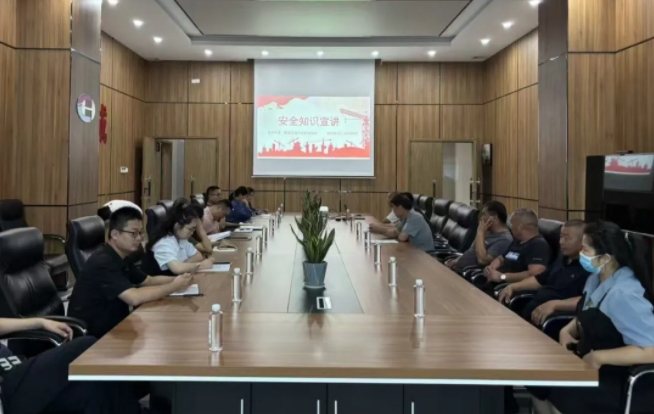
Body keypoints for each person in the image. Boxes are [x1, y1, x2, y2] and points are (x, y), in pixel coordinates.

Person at [531, 221, 654, 414]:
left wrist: (599, 357)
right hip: (590, 364)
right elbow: (589, 310)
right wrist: (567, 329)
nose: (581, 254)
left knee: (562, 394)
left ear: (605, 258)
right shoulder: (596, 278)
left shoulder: (624, 294)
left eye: (585, 250)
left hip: (618, 379)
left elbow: (651, 350)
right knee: (537, 380)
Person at [68, 207, 195, 338]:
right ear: (115, 234)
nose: (139, 238)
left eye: (141, 233)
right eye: (133, 233)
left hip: (115, 325)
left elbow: (148, 280)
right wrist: (174, 286)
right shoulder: (103, 262)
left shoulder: (120, 256)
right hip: (92, 335)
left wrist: (181, 279)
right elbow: (133, 297)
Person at [0, 318, 142, 414]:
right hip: (6, 389)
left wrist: (40, 322)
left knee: (91, 387)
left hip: (12, 368)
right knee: (85, 347)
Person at [499, 220, 589, 327]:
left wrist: (555, 305)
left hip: (552, 319)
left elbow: (588, 300)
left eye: (567, 238)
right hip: (532, 311)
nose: (561, 242)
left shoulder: (588, 268)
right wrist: (513, 287)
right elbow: (539, 280)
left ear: (583, 241)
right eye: (561, 237)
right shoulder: (562, 258)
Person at [144, 201, 215, 276]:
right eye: (190, 229)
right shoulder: (163, 243)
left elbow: (198, 256)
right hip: (161, 281)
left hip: (176, 279)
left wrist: (184, 265)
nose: (192, 232)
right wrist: (201, 265)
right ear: (177, 226)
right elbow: (177, 269)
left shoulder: (181, 239)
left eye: (194, 229)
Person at [484, 208, 550, 284]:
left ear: (520, 227)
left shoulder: (539, 245)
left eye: (511, 223)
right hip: (497, 282)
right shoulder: (517, 241)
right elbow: (501, 258)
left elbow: (534, 275)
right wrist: (492, 268)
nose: (510, 226)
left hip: (511, 287)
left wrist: (502, 277)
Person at [446, 201, 513, 273]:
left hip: (468, 274)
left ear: (494, 218)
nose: (480, 218)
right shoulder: (487, 232)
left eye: (483, 214)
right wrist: (456, 261)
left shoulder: (504, 240)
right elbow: (472, 251)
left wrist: (480, 233)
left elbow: (482, 260)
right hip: (456, 269)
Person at [369, 194, 434, 252]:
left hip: (425, 254)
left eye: (394, 209)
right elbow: (395, 232)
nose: (393, 212)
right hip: (415, 250)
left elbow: (402, 237)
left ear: (400, 207)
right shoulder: (406, 216)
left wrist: (380, 230)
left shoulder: (415, 217)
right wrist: (379, 229)